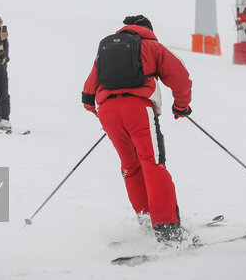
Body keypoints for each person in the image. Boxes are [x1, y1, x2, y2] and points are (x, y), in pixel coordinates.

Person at [82, 15, 194, 245]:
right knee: (152, 164)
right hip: (138, 110)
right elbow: (181, 77)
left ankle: (146, 220)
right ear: (148, 30)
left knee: (131, 166)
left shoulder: (106, 50)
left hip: (108, 112)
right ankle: (167, 229)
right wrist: (181, 106)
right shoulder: (152, 47)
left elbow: (87, 94)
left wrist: (107, 117)